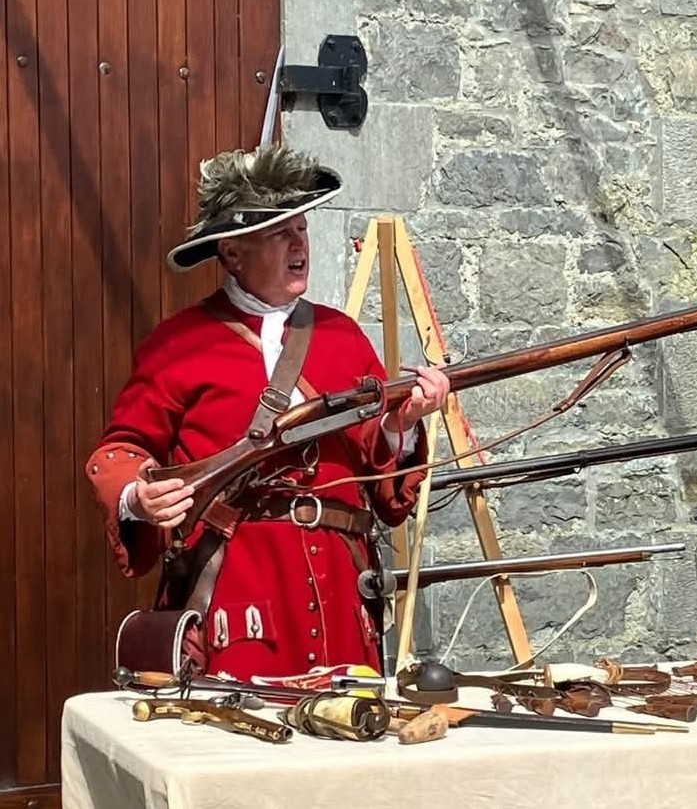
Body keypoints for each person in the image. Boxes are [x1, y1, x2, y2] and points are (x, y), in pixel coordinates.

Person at [86, 145, 449, 681]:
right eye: (280, 232)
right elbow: (120, 449)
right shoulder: (178, 343)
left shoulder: (342, 337)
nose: (299, 242)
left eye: (301, 228)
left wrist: (403, 422)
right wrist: (138, 496)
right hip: (237, 587)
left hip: (339, 588)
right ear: (232, 252)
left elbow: (379, 470)